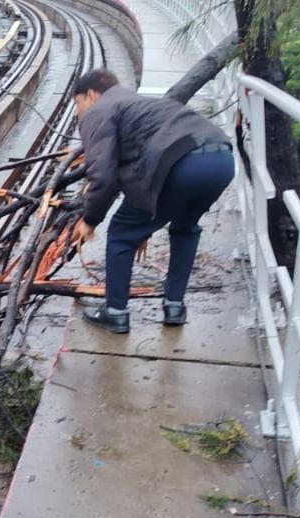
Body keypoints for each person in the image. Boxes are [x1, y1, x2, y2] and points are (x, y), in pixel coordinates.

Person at [69, 69, 234, 334]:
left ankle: (116, 313)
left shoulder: (99, 110)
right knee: (185, 228)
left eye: (77, 104)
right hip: (222, 160)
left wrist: (90, 219)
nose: (78, 112)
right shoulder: (142, 104)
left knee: (121, 233)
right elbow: (138, 162)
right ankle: (174, 307)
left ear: (90, 95)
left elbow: (103, 174)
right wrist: (146, 221)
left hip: (182, 164)